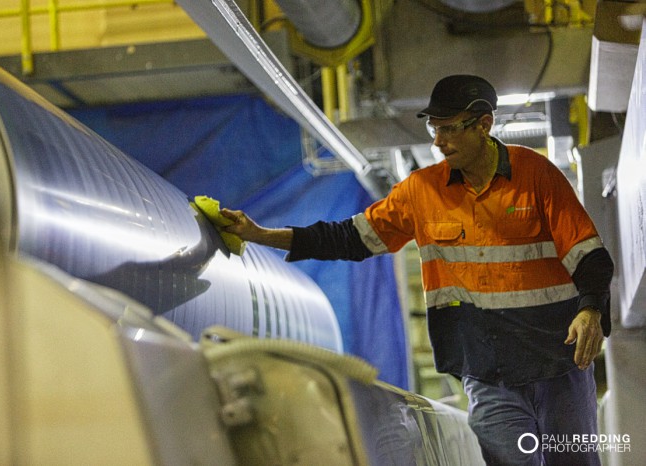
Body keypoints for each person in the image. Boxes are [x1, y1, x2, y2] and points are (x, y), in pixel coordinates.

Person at [220, 75, 613, 466]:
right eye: (433, 129)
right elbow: (351, 238)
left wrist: (591, 309)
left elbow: (588, 253)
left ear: (484, 124)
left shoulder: (537, 175)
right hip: (488, 371)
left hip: (559, 363)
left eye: (448, 129)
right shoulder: (422, 191)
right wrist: (260, 234)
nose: (437, 142)